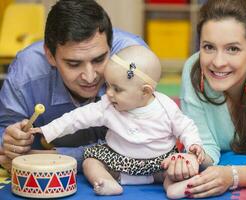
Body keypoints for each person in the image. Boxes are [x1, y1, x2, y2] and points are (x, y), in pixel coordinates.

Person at [162, 0, 246, 198]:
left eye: (232, 49)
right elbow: (206, 145)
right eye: (208, 47)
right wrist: (191, 159)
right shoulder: (194, 69)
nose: (218, 62)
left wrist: (233, 176)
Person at [29, 45, 204, 196]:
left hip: (160, 162)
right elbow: (77, 118)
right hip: (117, 161)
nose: (108, 93)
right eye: (108, 85)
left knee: (177, 168)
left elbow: (186, 127)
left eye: (117, 89)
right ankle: (106, 182)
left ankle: (174, 187)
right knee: (91, 161)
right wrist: (48, 130)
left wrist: (193, 144)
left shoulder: (166, 107)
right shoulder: (107, 105)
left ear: (145, 92)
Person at [0, 0, 147, 171]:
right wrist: (10, 141)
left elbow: (143, 141)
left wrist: (54, 159)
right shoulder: (26, 71)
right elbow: (4, 132)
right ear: (50, 55)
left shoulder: (134, 60)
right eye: (74, 64)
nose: (90, 76)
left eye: (99, 59)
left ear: (110, 46)